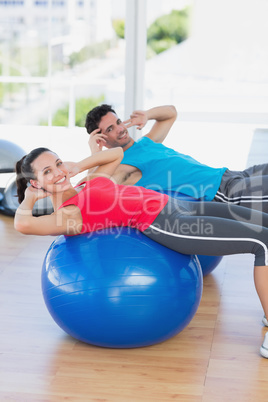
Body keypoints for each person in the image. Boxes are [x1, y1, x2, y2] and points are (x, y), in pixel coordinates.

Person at [14, 144, 268, 358]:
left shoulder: (85, 184)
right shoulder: (69, 215)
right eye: (48, 171)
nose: (58, 172)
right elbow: (23, 224)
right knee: (262, 242)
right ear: (36, 182)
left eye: (58, 163)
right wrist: (30, 197)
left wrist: (77, 166)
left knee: (261, 222)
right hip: (169, 224)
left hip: (176, 205)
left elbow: (115, 154)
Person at [85, 104, 268, 213]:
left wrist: (147, 115)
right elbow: (92, 192)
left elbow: (170, 113)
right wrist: (96, 154)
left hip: (230, 175)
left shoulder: (146, 142)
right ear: (103, 140)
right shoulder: (123, 167)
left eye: (117, 122)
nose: (119, 129)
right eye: (110, 129)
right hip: (220, 192)